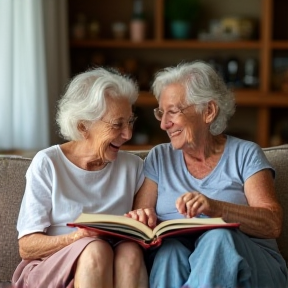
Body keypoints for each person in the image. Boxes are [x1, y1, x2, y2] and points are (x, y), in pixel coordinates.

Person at [126, 61, 288, 288]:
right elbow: (140, 226)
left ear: (209, 111)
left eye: (173, 111)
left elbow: (272, 224)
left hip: (253, 267)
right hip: (181, 259)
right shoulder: (159, 158)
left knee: (217, 236)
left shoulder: (245, 154)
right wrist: (141, 220)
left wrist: (215, 209)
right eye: (161, 113)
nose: (164, 124)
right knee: (169, 252)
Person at [12, 67, 148, 288]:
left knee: (130, 251)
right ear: (83, 126)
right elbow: (27, 246)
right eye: (117, 124)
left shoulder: (134, 167)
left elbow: (142, 230)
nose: (128, 134)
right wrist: (77, 238)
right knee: (95, 248)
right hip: (50, 270)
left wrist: (144, 220)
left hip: (110, 267)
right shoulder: (48, 163)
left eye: (130, 122)